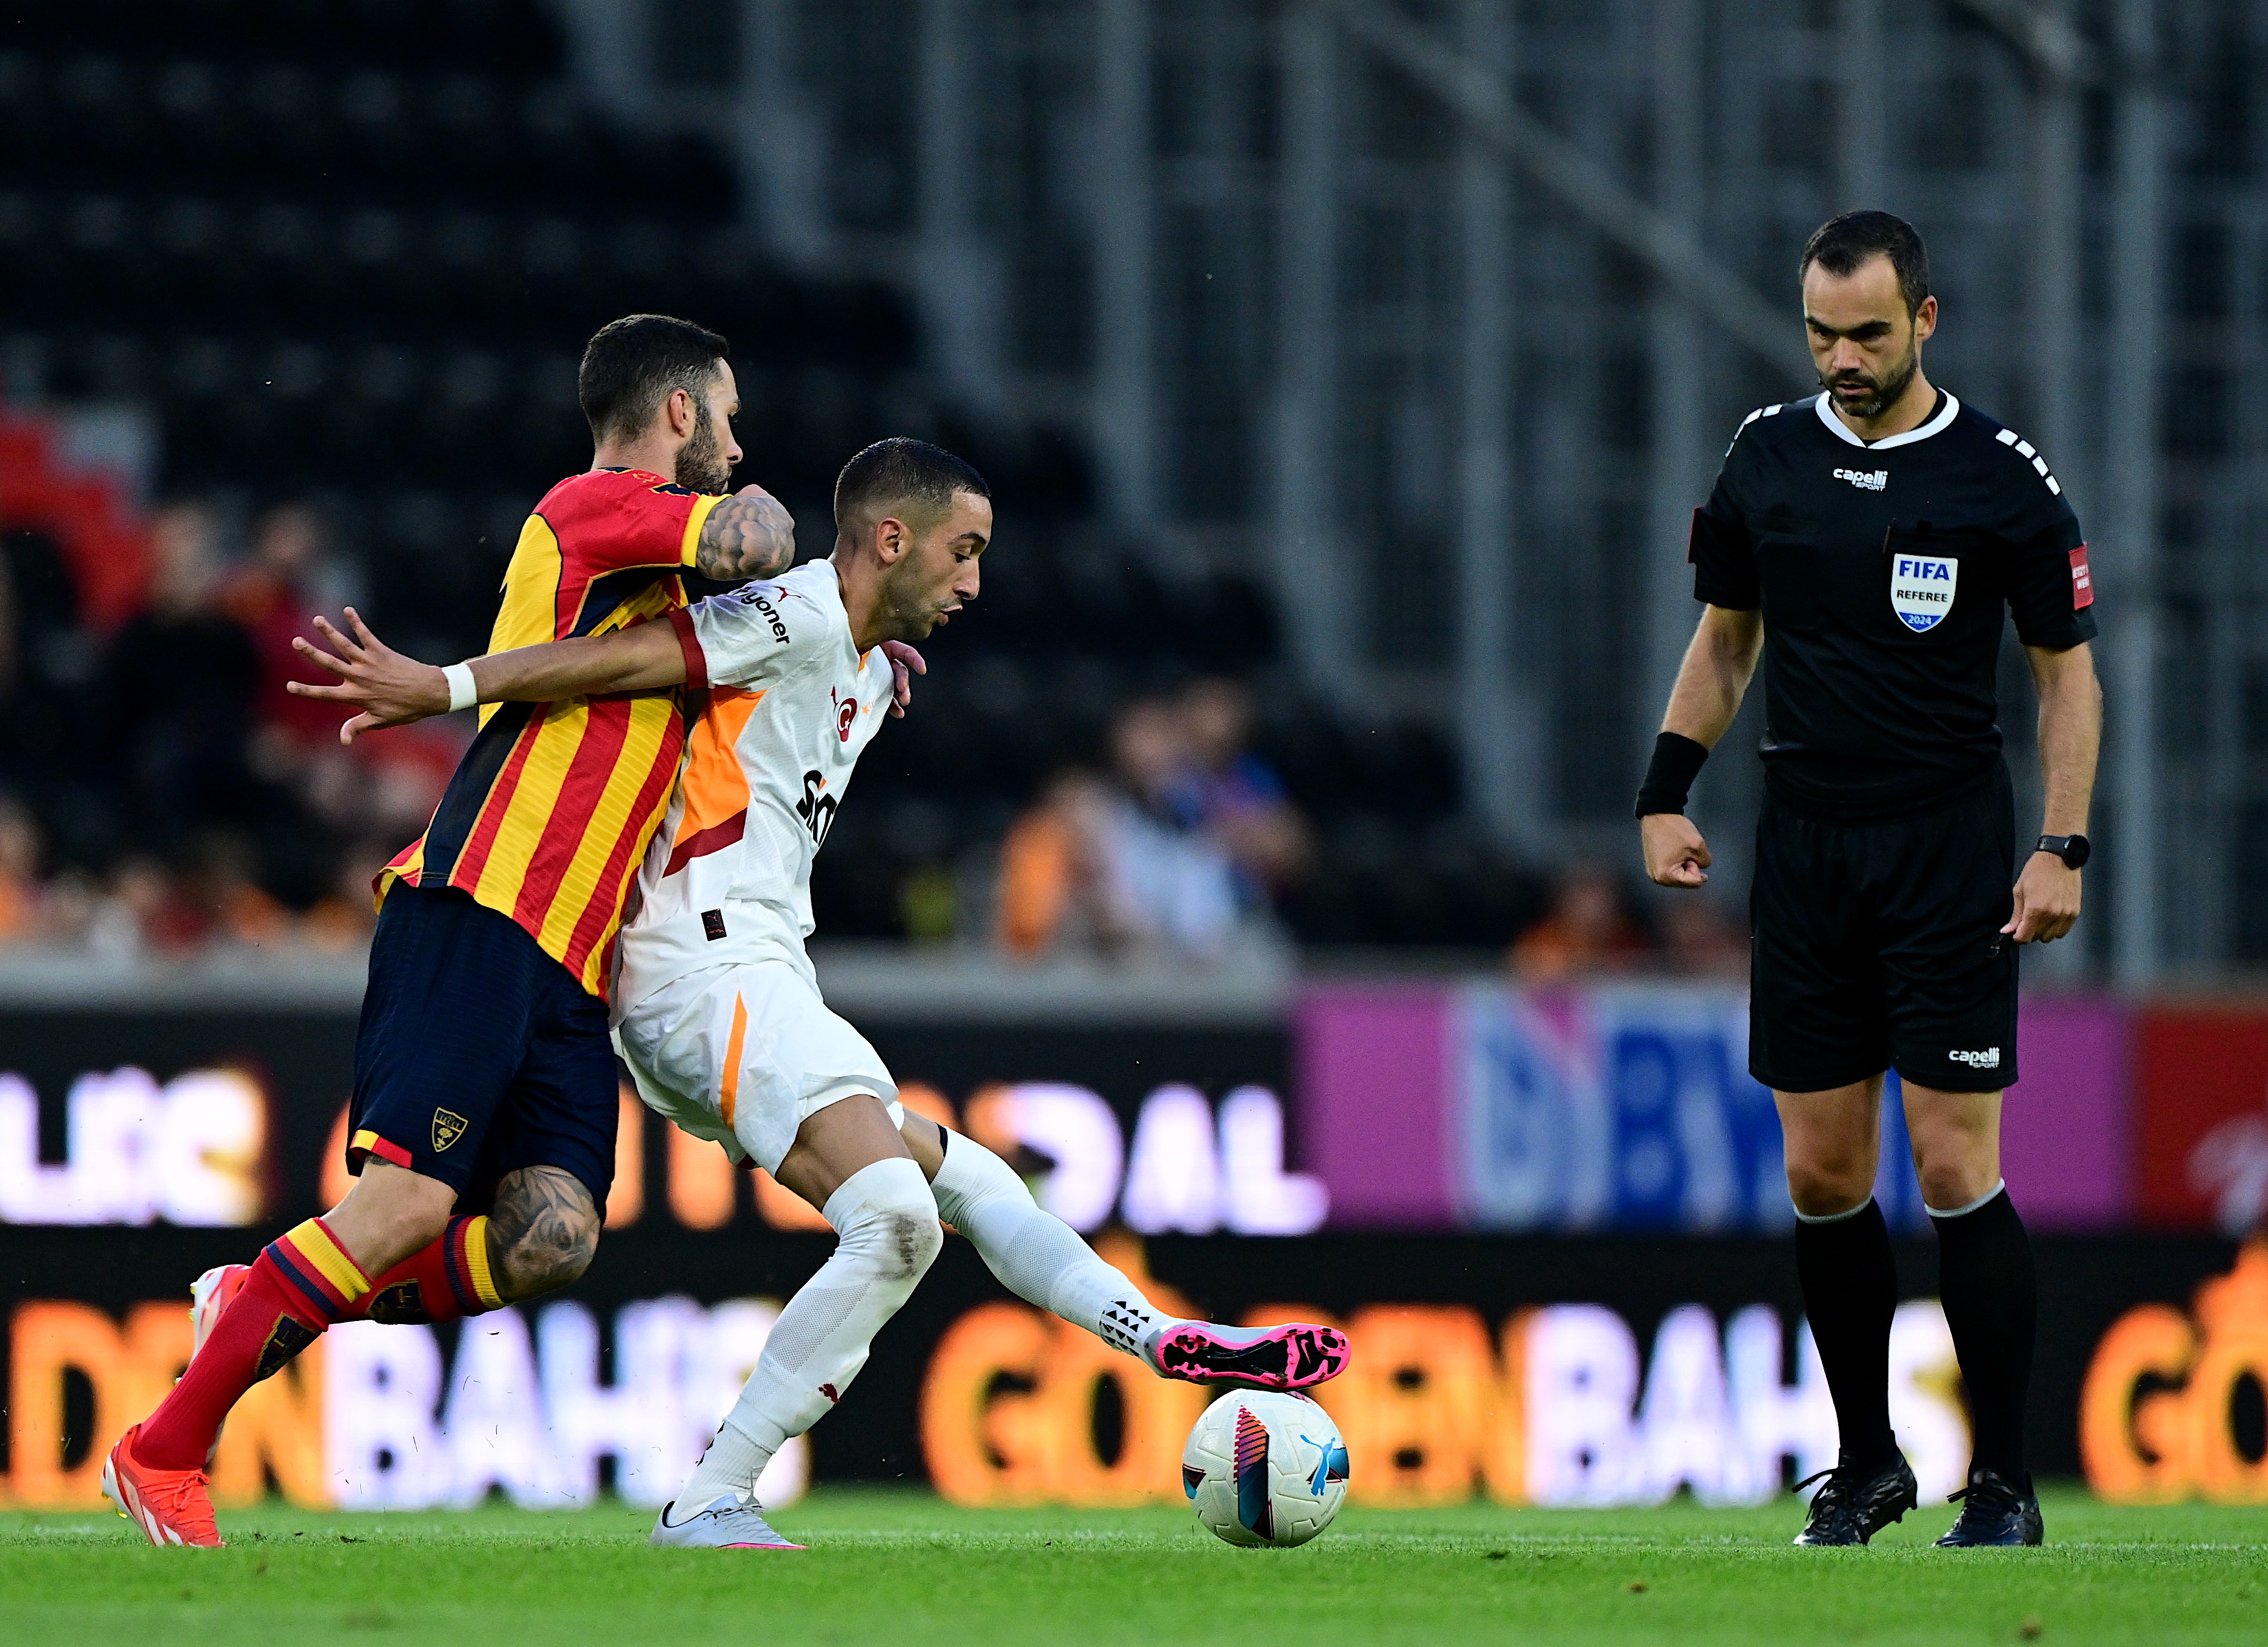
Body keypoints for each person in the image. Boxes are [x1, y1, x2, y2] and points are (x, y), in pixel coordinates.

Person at [288, 436, 1352, 1552]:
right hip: (705, 971)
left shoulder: (852, 648)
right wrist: (448, 685)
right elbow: (626, 659)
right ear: (891, 539)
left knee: (970, 1183)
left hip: (752, 978)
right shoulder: (794, 619)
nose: (975, 584)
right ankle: (711, 1496)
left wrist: (871, 651)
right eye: (964, 551)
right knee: (894, 1220)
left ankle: (1171, 1340)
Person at [103, 314, 813, 1548]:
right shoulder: (595, 505)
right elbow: (764, 538)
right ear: (681, 412)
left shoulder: (658, 576)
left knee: (552, 1234)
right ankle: (161, 1447)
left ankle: (259, 1301)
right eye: (730, 414)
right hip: (484, 901)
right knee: (403, 1209)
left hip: (570, 961)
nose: (741, 441)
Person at [1635, 212, 2100, 1549]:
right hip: (1807, 843)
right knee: (1824, 1168)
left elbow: (2065, 678)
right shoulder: (1764, 457)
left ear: (1927, 320)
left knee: (1954, 1162)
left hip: (1947, 843)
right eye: (1821, 332)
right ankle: (1865, 1463)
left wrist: (2060, 843)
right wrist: (1664, 792)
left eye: (1869, 334)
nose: (1842, 357)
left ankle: (2002, 1481)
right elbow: (1725, 643)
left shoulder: (1999, 476)